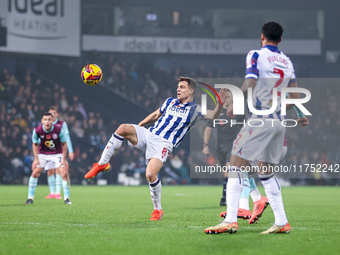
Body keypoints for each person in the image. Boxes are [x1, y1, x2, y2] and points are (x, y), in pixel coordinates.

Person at [205, 21, 308, 234]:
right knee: (266, 173)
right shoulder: (287, 62)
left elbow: (250, 83)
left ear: (262, 37)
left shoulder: (255, 55)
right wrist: (277, 112)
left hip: (260, 119)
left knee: (234, 166)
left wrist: (235, 103)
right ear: (280, 40)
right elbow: (296, 98)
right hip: (279, 123)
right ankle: (281, 222)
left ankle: (230, 220)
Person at [84, 76, 228, 220]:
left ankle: (157, 210)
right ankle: (102, 164)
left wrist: (219, 105)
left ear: (191, 91)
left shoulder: (196, 110)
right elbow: (156, 114)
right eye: (178, 86)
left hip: (164, 144)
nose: (178, 89)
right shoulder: (170, 101)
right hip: (149, 134)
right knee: (122, 128)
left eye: (182, 87)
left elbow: (213, 115)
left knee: (150, 175)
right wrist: (140, 125)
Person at [25, 113, 72, 205]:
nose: (47, 122)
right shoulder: (37, 130)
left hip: (56, 153)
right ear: (42, 121)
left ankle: (67, 198)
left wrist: (64, 159)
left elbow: (64, 144)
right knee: (35, 173)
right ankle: (30, 198)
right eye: (45, 120)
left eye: (49, 120)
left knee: (64, 173)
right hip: (43, 153)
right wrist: (36, 159)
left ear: (52, 121)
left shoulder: (58, 130)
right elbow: (35, 144)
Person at [44, 106, 74, 199]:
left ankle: (57, 193)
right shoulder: (46, 124)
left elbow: (67, 137)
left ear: (57, 114)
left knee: (58, 170)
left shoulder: (62, 124)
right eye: (50, 112)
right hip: (48, 151)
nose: (52, 114)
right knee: (49, 171)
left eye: (54, 112)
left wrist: (71, 151)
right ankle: (52, 193)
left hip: (59, 151)